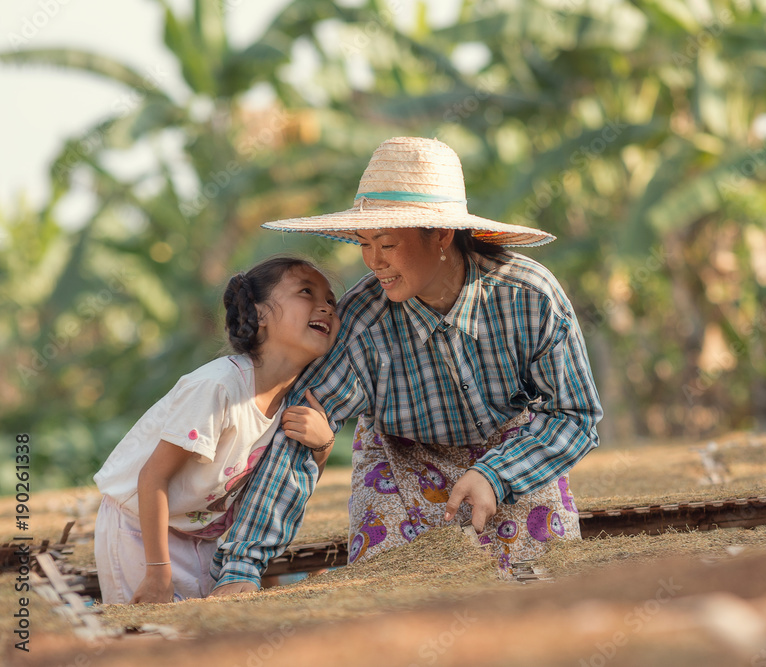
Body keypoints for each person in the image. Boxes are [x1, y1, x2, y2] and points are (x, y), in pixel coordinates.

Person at [211, 136, 602, 595]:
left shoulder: (531, 297)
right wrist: (241, 567)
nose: (373, 261)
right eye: (364, 243)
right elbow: (296, 440)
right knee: (392, 600)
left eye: (387, 243)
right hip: (400, 465)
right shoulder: (362, 321)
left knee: (540, 596)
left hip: (516, 459)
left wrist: (496, 476)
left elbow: (577, 416)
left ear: (440, 235)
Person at [93, 255, 339, 603]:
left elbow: (293, 481)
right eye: (306, 292)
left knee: (200, 638)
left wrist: (323, 444)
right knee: (152, 640)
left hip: (204, 535)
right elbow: (152, 477)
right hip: (139, 531)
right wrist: (157, 572)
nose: (326, 307)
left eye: (331, 300)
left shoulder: (296, 400)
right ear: (262, 313)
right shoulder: (218, 387)